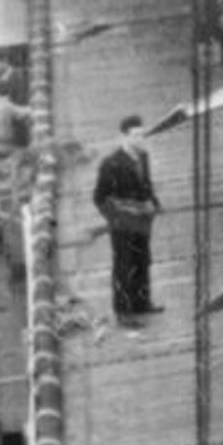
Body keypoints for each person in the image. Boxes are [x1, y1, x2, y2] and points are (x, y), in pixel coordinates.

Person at [92, 114, 162, 324]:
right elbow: (99, 197)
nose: (140, 139)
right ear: (123, 136)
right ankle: (123, 313)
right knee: (124, 266)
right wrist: (115, 219)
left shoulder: (143, 157)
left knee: (142, 261)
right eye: (135, 136)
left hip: (142, 222)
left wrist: (154, 204)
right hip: (122, 225)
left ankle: (141, 303)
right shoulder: (110, 164)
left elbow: (146, 185)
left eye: (142, 135)